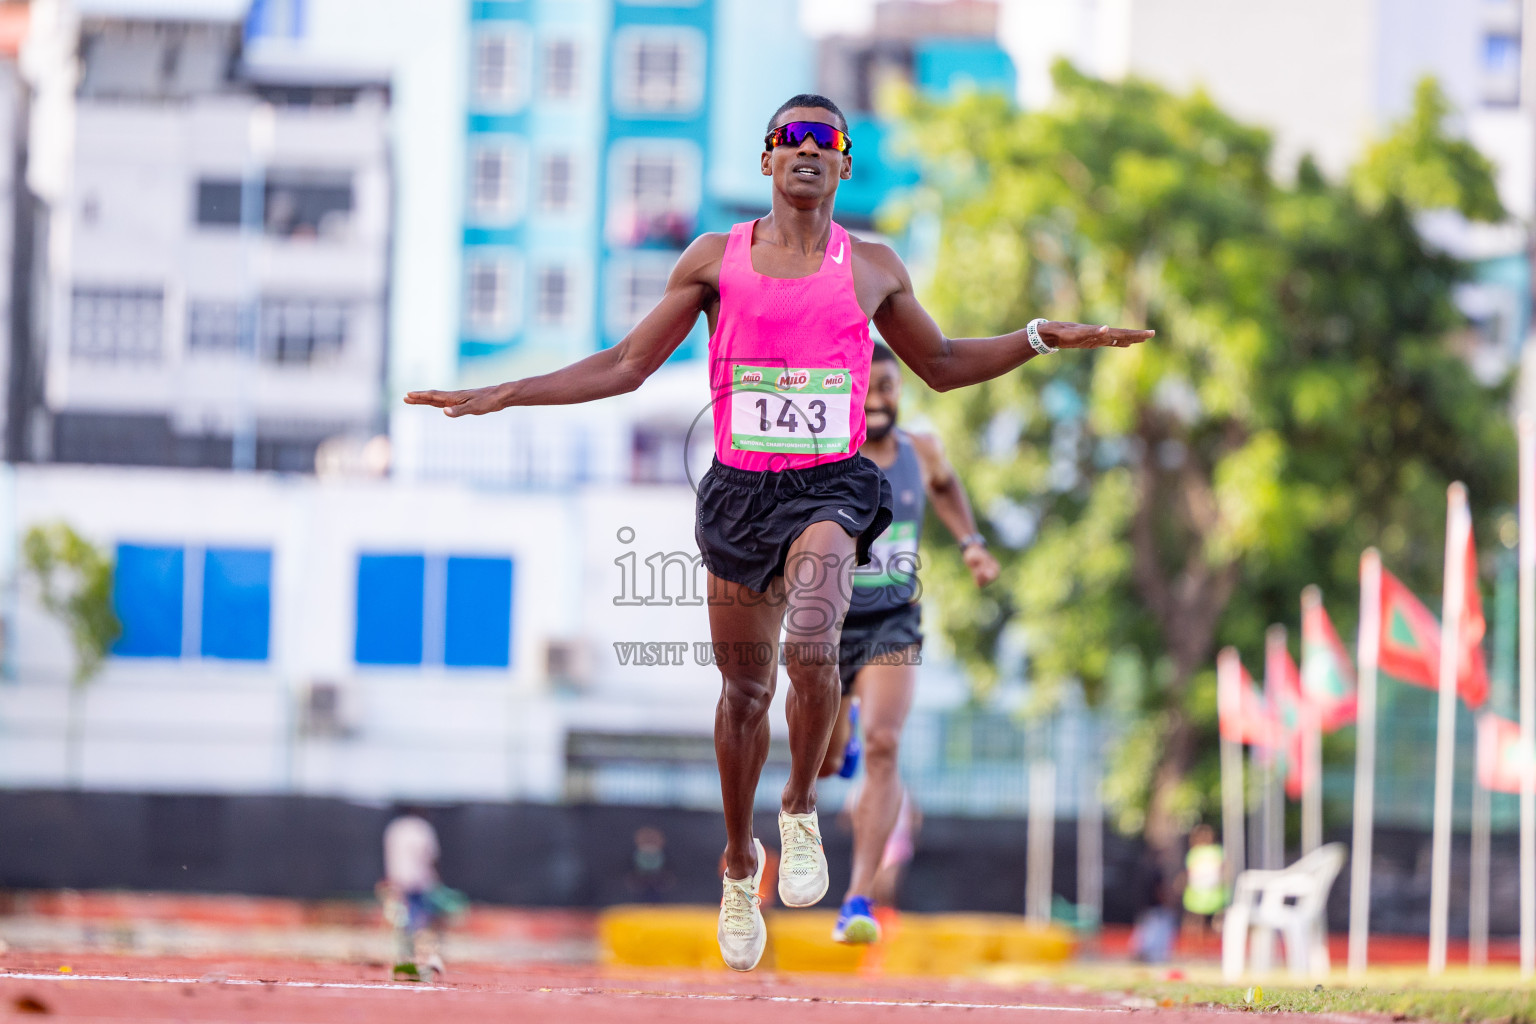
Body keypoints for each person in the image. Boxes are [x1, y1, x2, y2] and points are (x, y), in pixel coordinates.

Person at [405, 93, 1154, 971]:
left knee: (813, 636)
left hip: (829, 485)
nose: (806, 149)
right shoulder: (713, 261)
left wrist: (1036, 337)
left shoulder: (871, 267)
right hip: (737, 494)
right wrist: (506, 392)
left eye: (824, 140)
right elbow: (623, 364)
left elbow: (943, 365)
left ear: (842, 165)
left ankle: (799, 809)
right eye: (789, 138)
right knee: (744, 698)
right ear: (767, 161)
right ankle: (736, 862)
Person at [814, 342, 999, 944]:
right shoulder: (824, 457)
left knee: (886, 744)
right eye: (865, 389)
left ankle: (857, 899)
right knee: (822, 761)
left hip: (894, 618)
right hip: (829, 623)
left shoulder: (921, 452)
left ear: (900, 391)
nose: (877, 399)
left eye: (887, 387)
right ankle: (837, 748)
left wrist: (970, 541)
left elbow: (945, 488)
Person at [380, 809, 453, 980]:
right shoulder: (423, 828)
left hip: (399, 879)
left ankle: (406, 959)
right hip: (420, 880)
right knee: (420, 920)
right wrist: (436, 878)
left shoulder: (396, 828)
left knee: (403, 919)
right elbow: (432, 857)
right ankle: (420, 960)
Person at [1180, 823, 1226, 948]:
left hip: (1214, 893)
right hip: (1197, 893)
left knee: (1217, 922)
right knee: (1195, 921)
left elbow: (1224, 869)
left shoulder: (1217, 851)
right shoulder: (1194, 853)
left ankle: (1216, 947)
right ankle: (1193, 947)